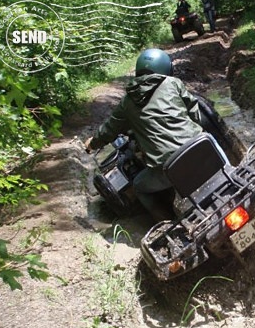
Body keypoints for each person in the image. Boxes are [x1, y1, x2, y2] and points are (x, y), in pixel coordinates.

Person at [84, 48, 203, 219]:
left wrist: (92, 144)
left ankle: (167, 224)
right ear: (165, 68)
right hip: (199, 149)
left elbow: (108, 130)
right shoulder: (173, 83)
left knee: (139, 186)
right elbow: (195, 113)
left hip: (169, 168)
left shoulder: (127, 102)